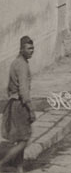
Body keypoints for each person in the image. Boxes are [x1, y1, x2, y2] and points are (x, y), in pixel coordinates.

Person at [0, 37, 35, 173]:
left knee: (21, 138)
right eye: (29, 48)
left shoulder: (17, 62)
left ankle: (19, 169)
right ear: (21, 49)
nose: (32, 51)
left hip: (14, 104)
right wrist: (31, 110)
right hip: (20, 105)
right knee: (24, 140)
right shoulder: (22, 65)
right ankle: (3, 163)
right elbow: (24, 92)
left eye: (32, 48)